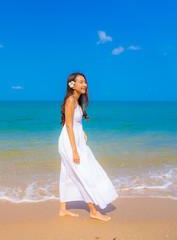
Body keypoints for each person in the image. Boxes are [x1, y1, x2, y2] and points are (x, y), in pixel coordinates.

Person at [58, 72, 118, 221]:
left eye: (85, 82)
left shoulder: (76, 102)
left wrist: (82, 131)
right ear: (72, 85)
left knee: (66, 174)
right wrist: (74, 150)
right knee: (82, 174)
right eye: (80, 82)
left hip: (76, 140)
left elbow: (73, 122)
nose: (84, 85)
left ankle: (62, 209)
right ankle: (93, 210)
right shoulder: (71, 101)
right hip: (69, 143)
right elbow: (69, 127)